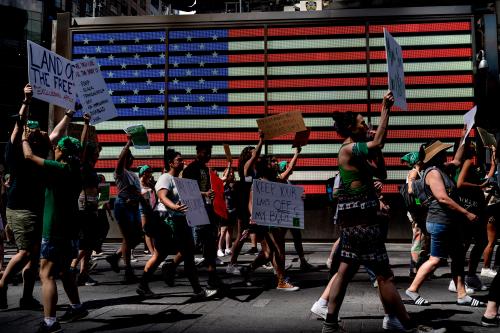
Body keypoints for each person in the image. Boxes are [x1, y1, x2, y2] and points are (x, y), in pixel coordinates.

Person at [323, 91, 444, 333]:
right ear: (351, 128)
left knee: (345, 270)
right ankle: (406, 324)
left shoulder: (357, 150)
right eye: (362, 123)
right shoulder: (347, 149)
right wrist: (385, 110)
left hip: (356, 220)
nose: (366, 125)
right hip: (362, 221)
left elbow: (381, 173)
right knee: (385, 276)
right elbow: (377, 143)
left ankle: (330, 323)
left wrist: (376, 147)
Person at [0, 83, 75, 310]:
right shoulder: (16, 151)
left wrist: (69, 115)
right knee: (25, 253)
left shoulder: (40, 150)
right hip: (22, 209)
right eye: (36, 130)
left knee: (34, 257)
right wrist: (26, 100)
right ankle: (2, 283)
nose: (41, 131)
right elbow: (18, 126)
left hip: (36, 208)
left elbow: (58, 132)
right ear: (28, 137)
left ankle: (26, 297)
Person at [405, 139, 484, 308]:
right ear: (436, 156)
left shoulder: (442, 168)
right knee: (435, 259)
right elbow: (442, 198)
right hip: (440, 221)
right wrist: (466, 213)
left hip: (448, 221)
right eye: (442, 152)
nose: (446, 154)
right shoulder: (433, 173)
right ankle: (412, 289)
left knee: (457, 257)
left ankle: (462, 294)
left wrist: (464, 136)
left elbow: (457, 160)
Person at [22, 132, 87, 332]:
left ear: (64, 152)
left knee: (46, 273)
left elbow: (28, 156)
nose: (54, 149)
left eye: (58, 147)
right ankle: (76, 307)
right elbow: (79, 150)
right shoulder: (77, 168)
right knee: (65, 270)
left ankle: (50, 322)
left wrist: (24, 139)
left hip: (54, 228)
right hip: (71, 230)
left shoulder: (58, 168)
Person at [148, 149, 217, 299]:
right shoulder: (166, 178)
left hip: (179, 221)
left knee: (186, 254)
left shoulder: (178, 180)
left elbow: (190, 194)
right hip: (169, 222)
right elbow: (162, 196)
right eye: (179, 160)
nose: (182, 162)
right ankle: (197, 290)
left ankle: (146, 283)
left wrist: (205, 194)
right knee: (164, 255)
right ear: (171, 163)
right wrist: (174, 207)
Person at [246, 155, 299, 291]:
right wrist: (253, 215)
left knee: (268, 253)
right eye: (273, 161)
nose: (276, 163)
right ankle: (281, 281)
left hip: (275, 219)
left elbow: (291, 168)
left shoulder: (278, 180)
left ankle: (248, 269)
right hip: (264, 221)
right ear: (266, 165)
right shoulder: (258, 183)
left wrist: (297, 153)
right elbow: (251, 202)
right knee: (279, 250)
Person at [182, 143, 221, 289]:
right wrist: (204, 194)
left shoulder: (205, 169)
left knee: (210, 242)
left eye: (209, 153)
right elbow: (186, 191)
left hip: (207, 209)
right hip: (195, 211)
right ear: (198, 152)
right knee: (195, 244)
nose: (208, 156)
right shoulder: (191, 169)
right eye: (205, 153)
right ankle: (173, 266)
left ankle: (212, 275)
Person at [226, 133, 264, 275]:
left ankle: (266, 256)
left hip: (252, 202)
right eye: (252, 151)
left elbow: (257, 154)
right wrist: (260, 141)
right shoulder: (246, 166)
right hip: (244, 205)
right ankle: (232, 263)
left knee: (258, 233)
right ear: (248, 154)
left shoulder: (255, 167)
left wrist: (262, 140)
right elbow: (255, 155)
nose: (255, 152)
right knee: (242, 234)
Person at [105, 136, 142, 283]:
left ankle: (115, 256)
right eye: (127, 157)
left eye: (130, 157)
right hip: (123, 205)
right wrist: (127, 144)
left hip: (134, 206)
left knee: (137, 237)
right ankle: (128, 270)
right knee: (127, 238)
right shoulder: (120, 173)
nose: (130, 159)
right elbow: (120, 161)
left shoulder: (134, 174)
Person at [71, 113, 101, 287]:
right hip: (84, 206)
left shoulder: (90, 167)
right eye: (96, 150)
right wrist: (86, 124)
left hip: (92, 206)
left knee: (90, 241)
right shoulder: (82, 165)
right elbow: (82, 146)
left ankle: (84, 273)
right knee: (86, 240)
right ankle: (73, 266)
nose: (98, 152)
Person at [401, 152, 430, 278]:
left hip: (417, 211)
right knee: (419, 238)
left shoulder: (418, 173)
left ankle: (418, 268)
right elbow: (411, 191)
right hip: (416, 212)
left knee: (422, 238)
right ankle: (415, 269)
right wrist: (420, 203)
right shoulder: (414, 173)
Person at [218, 164, 236, 258]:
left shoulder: (233, 185)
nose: (231, 174)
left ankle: (228, 247)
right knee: (223, 230)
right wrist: (229, 166)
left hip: (232, 210)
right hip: (224, 210)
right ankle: (219, 248)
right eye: (229, 173)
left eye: (232, 173)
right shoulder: (222, 184)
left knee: (230, 230)